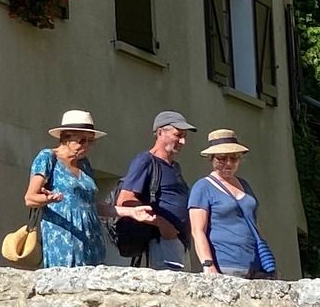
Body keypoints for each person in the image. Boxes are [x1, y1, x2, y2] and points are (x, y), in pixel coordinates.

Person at [188, 130, 279, 279]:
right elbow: (198, 231)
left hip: (256, 264)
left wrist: (267, 258)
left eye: (234, 158)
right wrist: (208, 265)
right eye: (222, 159)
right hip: (226, 264)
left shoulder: (244, 184)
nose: (228, 163)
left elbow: (255, 222)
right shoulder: (203, 187)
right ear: (211, 159)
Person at [24, 109, 106, 267]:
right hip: (65, 239)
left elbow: (89, 205)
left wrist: (130, 212)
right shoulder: (48, 157)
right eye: (82, 141)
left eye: (91, 141)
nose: (87, 146)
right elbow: (30, 198)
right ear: (65, 137)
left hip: (91, 239)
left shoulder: (84, 164)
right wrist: (48, 198)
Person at [114, 111, 194, 269]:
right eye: (178, 135)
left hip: (177, 242)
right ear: (160, 133)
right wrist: (162, 224)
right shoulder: (146, 161)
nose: (183, 141)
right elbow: (125, 201)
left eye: (185, 136)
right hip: (160, 243)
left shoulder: (174, 167)